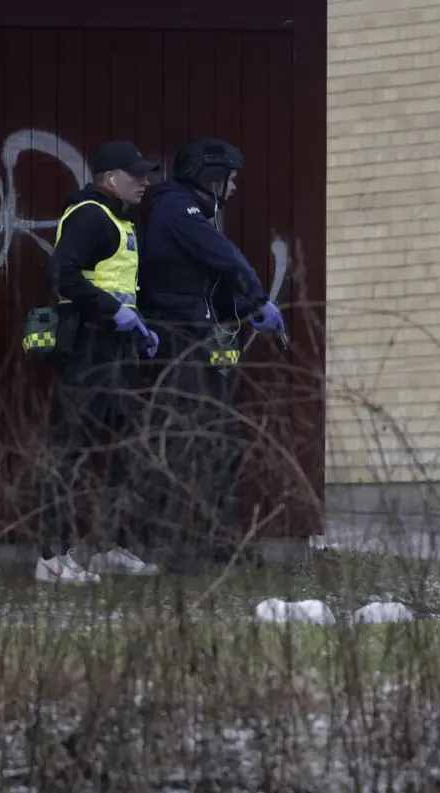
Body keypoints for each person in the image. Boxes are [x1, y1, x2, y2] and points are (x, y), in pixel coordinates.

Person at [135, 137, 285, 572]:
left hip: (199, 336)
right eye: (230, 179)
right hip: (180, 341)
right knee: (188, 441)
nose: (235, 188)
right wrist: (258, 299)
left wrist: (242, 311)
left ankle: (217, 539)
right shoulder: (176, 210)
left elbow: (200, 288)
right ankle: (180, 549)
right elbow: (226, 259)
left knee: (223, 442)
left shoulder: (194, 212)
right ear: (210, 176)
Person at [36, 140, 163, 583]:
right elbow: (62, 275)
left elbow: (116, 283)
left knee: (122, 450)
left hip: (115, 349)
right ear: (110, 178)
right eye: (136, 174)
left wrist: (139, 327)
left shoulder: (118, 219)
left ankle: (110, 546)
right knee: (71, 449)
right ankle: (51, 558)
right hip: (88, 347)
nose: (145, 182)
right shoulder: (91, 215)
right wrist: (114, 312)